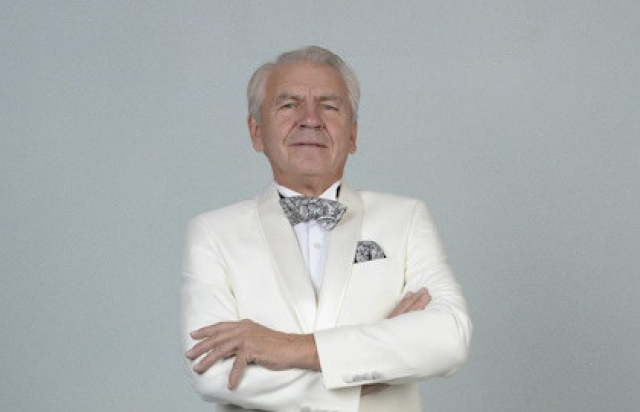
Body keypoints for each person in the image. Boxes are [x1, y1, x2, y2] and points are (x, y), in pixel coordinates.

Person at [180, 46, 471, 412]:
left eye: (329, 107)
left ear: (352, 134)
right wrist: (373, 369)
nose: (310, 120)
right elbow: (213, 371)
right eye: (289, 105)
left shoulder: (406, 217)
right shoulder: (213, 233)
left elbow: (449, 337)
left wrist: (289, 348)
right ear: (256, 132)